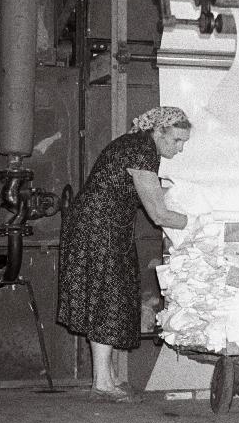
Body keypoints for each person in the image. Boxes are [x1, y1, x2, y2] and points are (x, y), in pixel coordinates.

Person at [57, 106, 191, 403]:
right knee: (107, 297)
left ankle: (106, 378)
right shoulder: (143, 150)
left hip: (101, 227)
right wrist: (200, 219)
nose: (180, 149)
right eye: (177, 141)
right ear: (160, 132)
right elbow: (158, 214)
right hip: (98, 229)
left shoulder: (137, 145)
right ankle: (103, 383)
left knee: (109, 297)